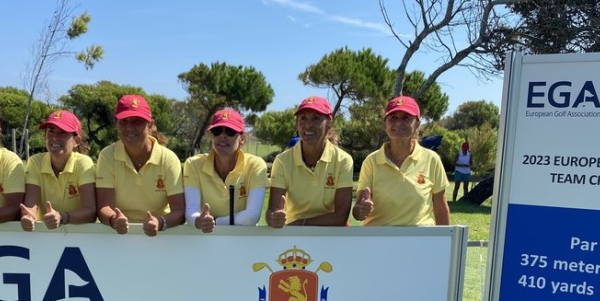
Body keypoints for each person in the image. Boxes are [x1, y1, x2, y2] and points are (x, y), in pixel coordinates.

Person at [352, 96, 450, 226]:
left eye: (406, 118)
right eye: (393, 118)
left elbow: (441, 211)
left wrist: (444, 244)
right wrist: (360, 209)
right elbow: (359, 208)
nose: (398, 123)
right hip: (378, 240)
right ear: (385, 124)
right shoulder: (371, 161)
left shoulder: (432, 159)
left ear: (417, 124)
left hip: (419, 241)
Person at [95, 94, 183, 237]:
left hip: (161, 237)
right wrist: (114, 219)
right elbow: (104, 207)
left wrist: (160, 223)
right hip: (119, 235)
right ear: (116, 123)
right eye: (123, 121)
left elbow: (179, 211)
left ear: (150, 125)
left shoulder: (168, 159)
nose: (129, 127)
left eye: (137, 121)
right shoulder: (107, 155)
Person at [266, 96, 353, 228]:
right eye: (303, 118)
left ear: (329, 124)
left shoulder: (343, 160)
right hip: (295, 236)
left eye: (316, 118)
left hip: (331, 234)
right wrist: (273, 219)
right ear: (296, 124)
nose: (308, 125)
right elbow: (271, 212)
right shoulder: (282, 161)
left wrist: (302, 223)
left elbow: (340, 217)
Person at [183, 108, 267, 232]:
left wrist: (216, 221)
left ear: (242, 138)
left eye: (230, 131)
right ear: (211, 136)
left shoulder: (256, 165)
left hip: (244, 241)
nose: (222, 136)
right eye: (216, 131)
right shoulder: (193, 164)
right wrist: (198, 220)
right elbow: (191, 209)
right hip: (206, 240)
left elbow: (252, 216)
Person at [20, 110, 96, 231]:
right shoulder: (35, 162)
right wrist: (29, 216)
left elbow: (91, 212)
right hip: (47, 236)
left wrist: (62, 217)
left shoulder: (83, 163)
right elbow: (31, 206)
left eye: (62, 133)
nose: (55, 137)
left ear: (76, 141)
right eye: (50, 131)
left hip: (81, 236)